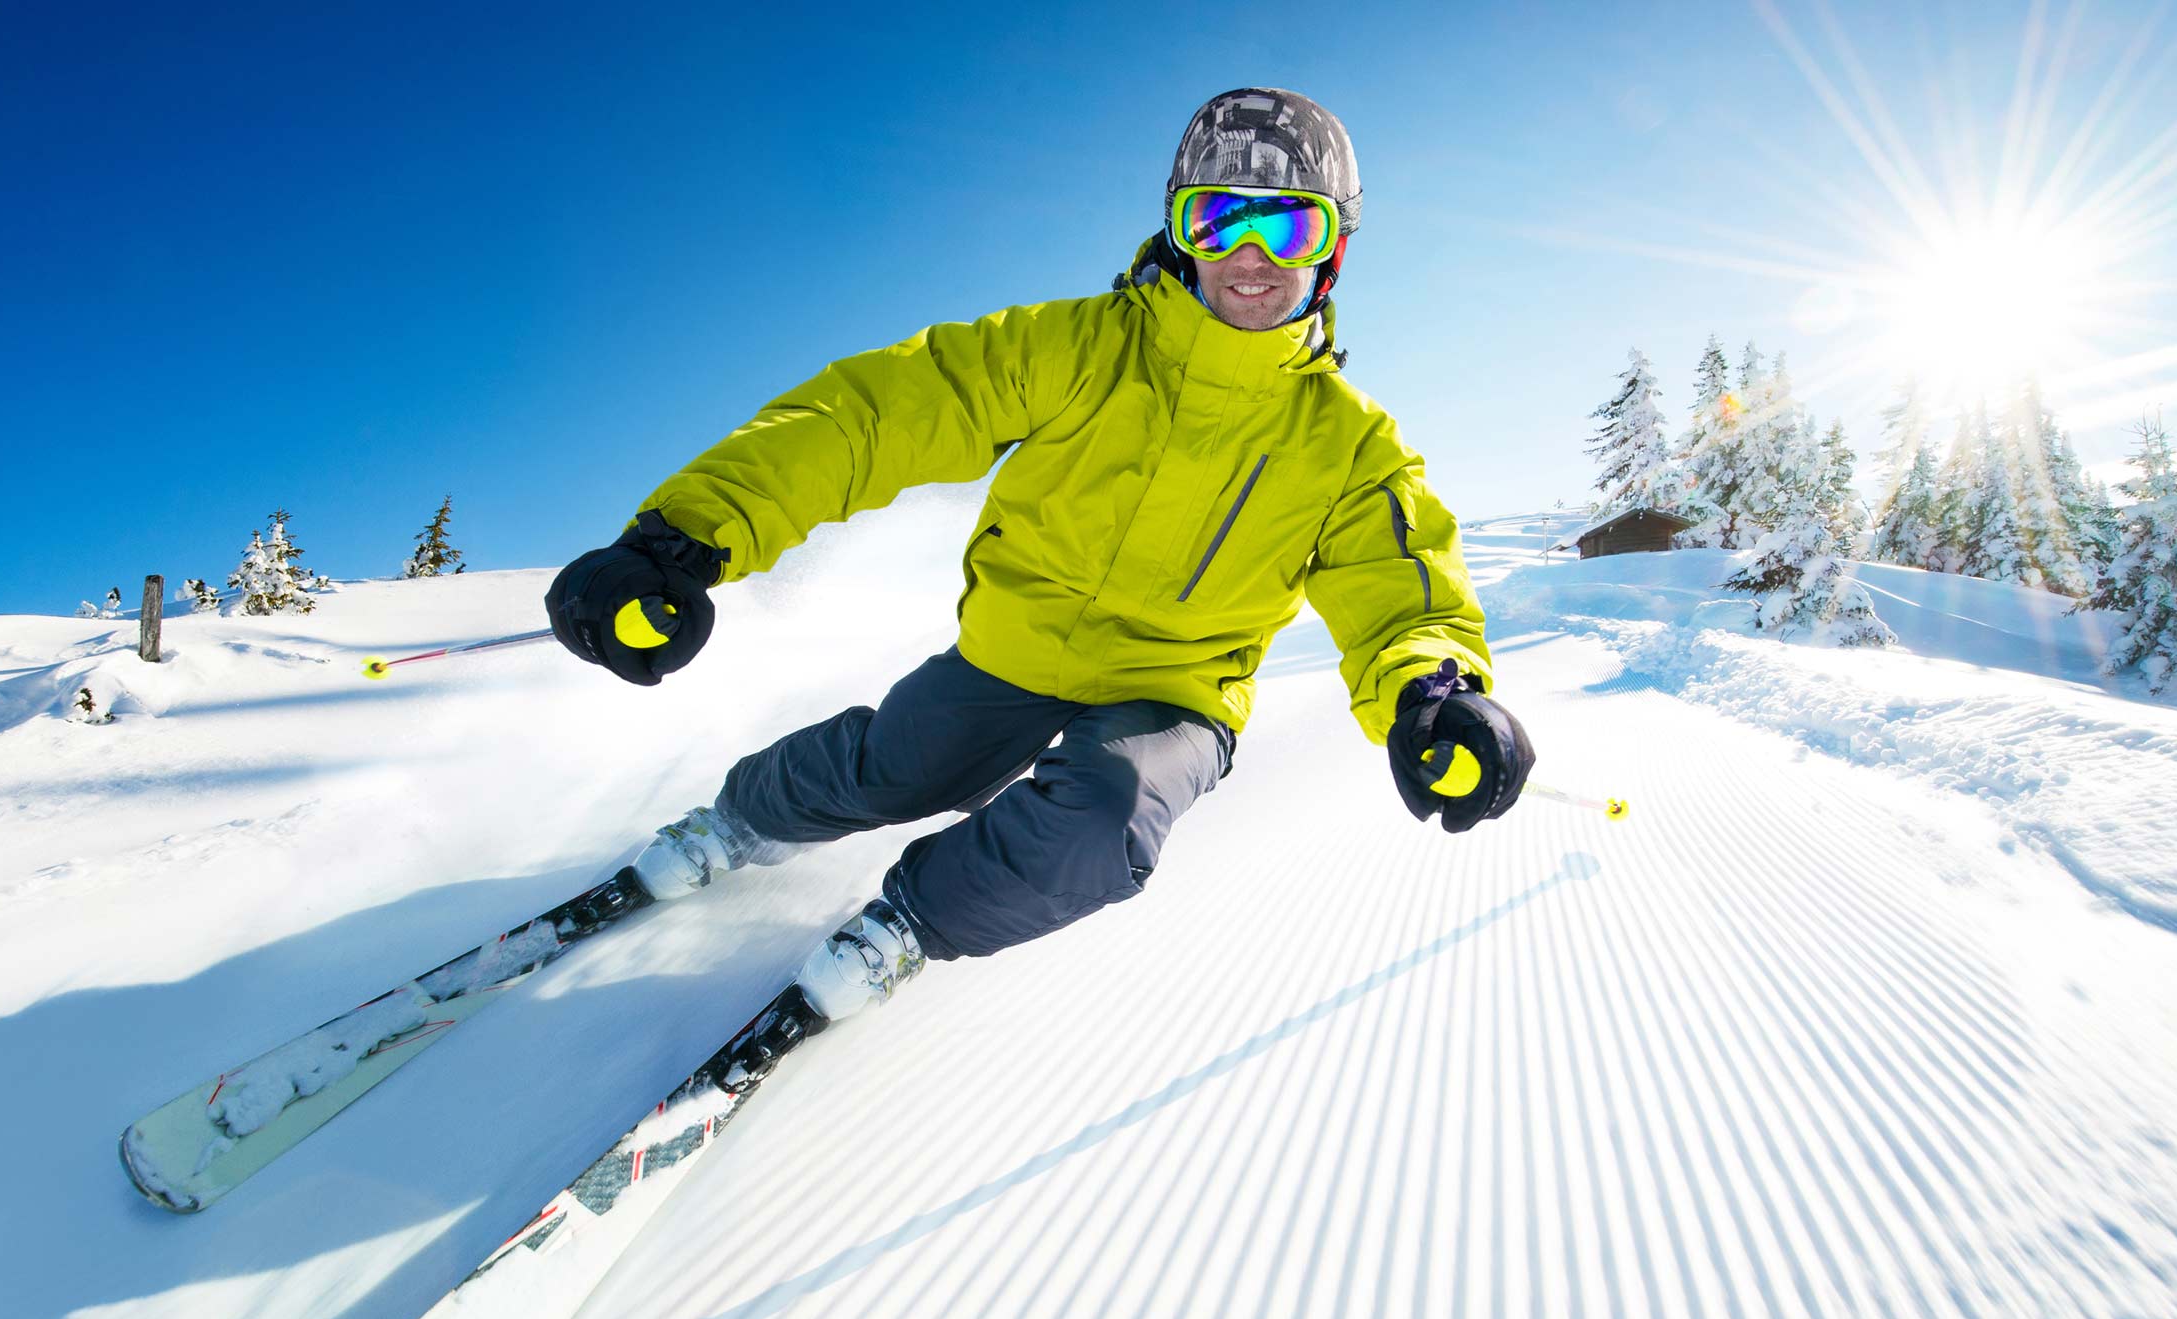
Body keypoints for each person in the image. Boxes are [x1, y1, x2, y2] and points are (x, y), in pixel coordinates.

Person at [545, 87, 1533, 1026]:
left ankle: (912, 925)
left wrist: (1432, 694)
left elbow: (1401, 595)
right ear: (1180, 230)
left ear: (1334, 254)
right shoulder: (1075, 349)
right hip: (1015, 650)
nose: (1249, 256)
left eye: (1290, 226)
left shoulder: (1352, 448)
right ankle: (739, 824)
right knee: (898, 769)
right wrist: (686, 536)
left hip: (1177, 688)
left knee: (1106, 819)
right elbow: (875, 418)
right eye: (1219, 218)